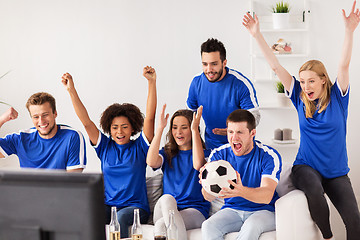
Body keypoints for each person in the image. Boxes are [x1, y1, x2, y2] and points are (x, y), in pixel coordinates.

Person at [243, 1, 360, 239]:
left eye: (311, 81)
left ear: (323, 80)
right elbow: (276, 66)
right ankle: (327, 237)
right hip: (306, 167)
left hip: (337, 172)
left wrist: (349, 31)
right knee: (315, 191)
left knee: (355, 223)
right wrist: (257, 35)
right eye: (303, 81)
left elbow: (344, 64)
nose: (306, 86)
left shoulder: (339, 97)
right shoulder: (298, 96)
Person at [61, 66, 157, 238]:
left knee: (119, 219)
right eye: (115, 127)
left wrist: (151, 82)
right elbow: (86, 122)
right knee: (85, 213)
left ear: (133, 128)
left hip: (135, 208)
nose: (119, 132)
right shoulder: (105, 147)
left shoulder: (140, 147)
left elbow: (150, 117)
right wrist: (71, 90)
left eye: (124, 127)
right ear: (109, 129)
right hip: (109, 206)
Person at [193, 109, 282, 240]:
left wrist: (241, 191)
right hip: (232, 210)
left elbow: (266, 196)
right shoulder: (219, 155)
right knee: (208, 226)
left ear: (252, 133)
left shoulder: (268, 156)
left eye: (240, 132)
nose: (234, 137)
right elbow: (208, 197)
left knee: (251, 225)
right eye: (230, 132)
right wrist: (206, 185)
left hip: (264, 211)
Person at [146, 104, 210, 240]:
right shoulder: (168, 153)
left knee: (160, 225)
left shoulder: (206, 154)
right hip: (165, 208)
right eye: (174, 128)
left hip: (195, 211)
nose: (178, 132)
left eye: (184, 127)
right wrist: (160, 129)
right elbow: (151, 162)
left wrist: (194, 130)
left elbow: (198, 165)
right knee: (166, 198)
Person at [186, 38, 260, 150]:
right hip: (211, 148)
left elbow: (255, 117)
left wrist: (234, 130)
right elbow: (189, 115)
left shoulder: (240, 84)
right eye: (205, 64)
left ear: (224, 63)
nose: (209, 69)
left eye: (214, 64)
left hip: (241, 148)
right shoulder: (196, 83)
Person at [0, 92, 86, 172]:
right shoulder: (21, 139)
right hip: (27, 188)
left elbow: (72, 182)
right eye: (36, 117)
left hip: (59, 188)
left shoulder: (71, 137)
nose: (41, 121)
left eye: (45, 115)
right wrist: (2, 120)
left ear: (55, 113)